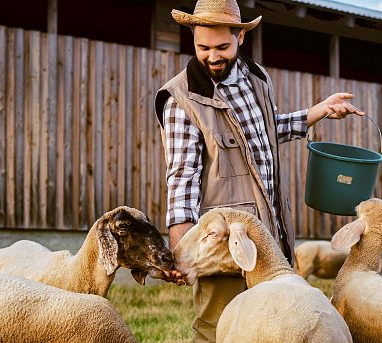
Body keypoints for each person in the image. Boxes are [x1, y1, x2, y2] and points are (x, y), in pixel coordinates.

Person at [154, 0, 363, 341]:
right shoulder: (182, 100)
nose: (212, 56)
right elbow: (182, 180)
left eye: (221, 46)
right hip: (226, 246)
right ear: (193, 38)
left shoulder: (257, 79)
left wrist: (319, 111)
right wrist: (182, 251)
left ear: (240, 37)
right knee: (219, 331)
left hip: (270, 240)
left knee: (281, 327)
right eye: (202, 47)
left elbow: (264, 132)